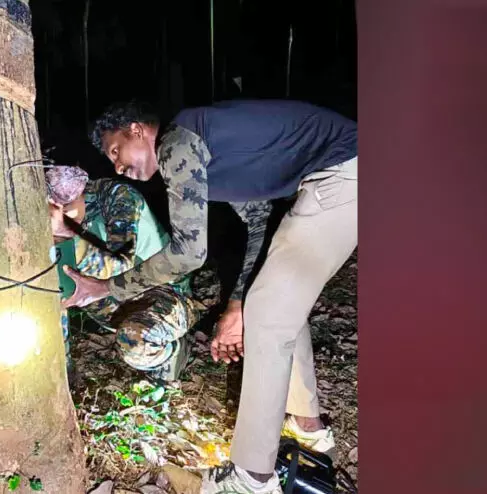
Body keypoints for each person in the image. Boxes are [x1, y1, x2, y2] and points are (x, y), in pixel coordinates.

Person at [65, 100, 357, 493]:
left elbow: (189, 252)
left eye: (115, 150)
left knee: (268, 317)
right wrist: (238, 302)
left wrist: (108, 287)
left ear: (136, 129)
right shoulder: (207, 155)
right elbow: (258, 222)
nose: (117, 167)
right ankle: (308, 430)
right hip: (345, 171)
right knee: (277, 304)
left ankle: (251, 479)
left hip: (344, 173)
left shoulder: (178, 144)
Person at [44, 165, 213, 383]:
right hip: (110, 297)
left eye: (65, 210)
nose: (61, 217)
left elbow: (121, 268)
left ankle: (173, 352)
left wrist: (66, 235)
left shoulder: (118, 197)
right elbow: (59, 291)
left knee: (136, 343)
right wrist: (63, 366)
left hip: (164, 293)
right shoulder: (65, 215)